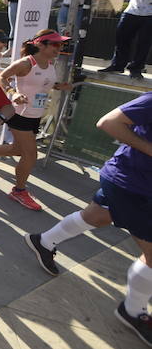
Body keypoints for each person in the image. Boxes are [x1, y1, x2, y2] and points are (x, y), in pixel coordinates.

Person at [24, 94, 152, 345]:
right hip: (132, 185)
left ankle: (44, 241)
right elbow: (109, 122)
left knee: (97, 216)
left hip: (131, 182)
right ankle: (133, 311)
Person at [0, 30, 72, 211]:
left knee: (17, 149)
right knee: (30, 155)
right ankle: (19, 191)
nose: (59, 48)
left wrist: (60, 86)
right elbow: (2, 77)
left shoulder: (50, 63)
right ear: (40, 45)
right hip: (20, 113)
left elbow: (46, 84)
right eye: (55, 44)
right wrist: (14, 93)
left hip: (35, 114)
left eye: (61, 45)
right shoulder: (26, 63)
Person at [99, 0, 152, 79]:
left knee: (144, 43)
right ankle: (118, 65)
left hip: (149, 16)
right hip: (132, 11)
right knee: (122, 37)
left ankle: (136, 68)